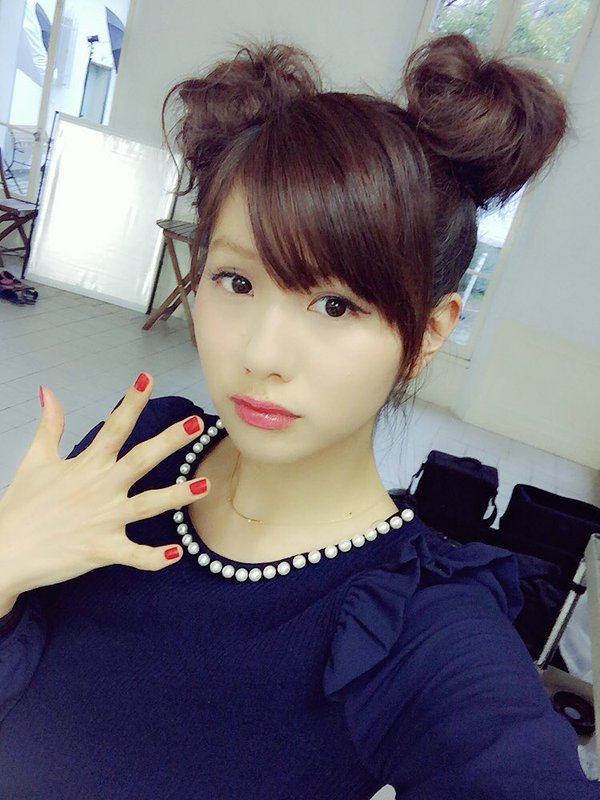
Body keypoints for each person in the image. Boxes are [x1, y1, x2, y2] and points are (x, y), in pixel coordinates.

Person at [0, 34, 596, 799]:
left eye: (335, 304)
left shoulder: (417, 627)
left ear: (427, 335)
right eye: (236, 281)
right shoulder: (144, 446)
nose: (261, 353)